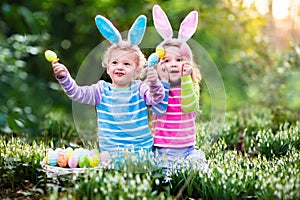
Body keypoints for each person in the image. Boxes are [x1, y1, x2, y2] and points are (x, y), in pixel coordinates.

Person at [50, 14, 165, 158]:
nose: (120, 67)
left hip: (140, 152)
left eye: (127, 64)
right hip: (110, 154)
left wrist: (154, 84)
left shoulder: (140, 89)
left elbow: (157, 98)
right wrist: (64, 77)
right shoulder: (101, 90)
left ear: (137, 71)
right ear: (107, 67)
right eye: (115, 62)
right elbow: (77, 93)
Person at [151, 5, 207, 170]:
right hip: (161, 149)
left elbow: (189, 106)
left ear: (188, 63)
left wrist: (186, 79)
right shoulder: (157, 87)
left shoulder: (191, 85)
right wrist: (163, 81)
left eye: (179, 60)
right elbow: (158, 108)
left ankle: (183, 170)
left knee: (196, 166)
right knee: (162, 175)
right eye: (167, 61)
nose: (173, 64)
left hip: (187, 149)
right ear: (159, 66)